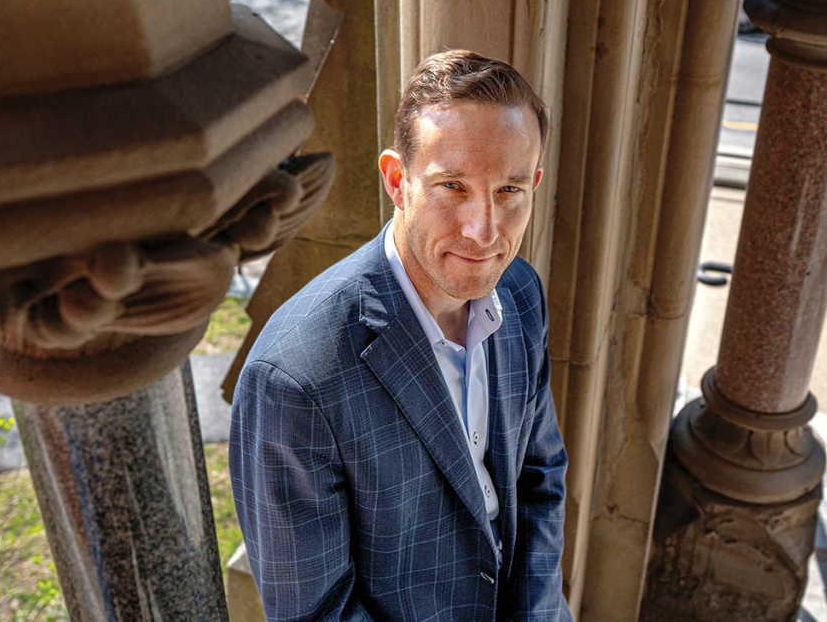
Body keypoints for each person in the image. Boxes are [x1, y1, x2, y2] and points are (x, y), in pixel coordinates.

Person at [230, 49, 573, 622]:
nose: (484, 231)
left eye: (510, 191)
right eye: (453, 187)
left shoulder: (520, 292)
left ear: (535, 183)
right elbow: (317, 613)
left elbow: (541, 475)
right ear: (397, 181)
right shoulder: (294, 378)